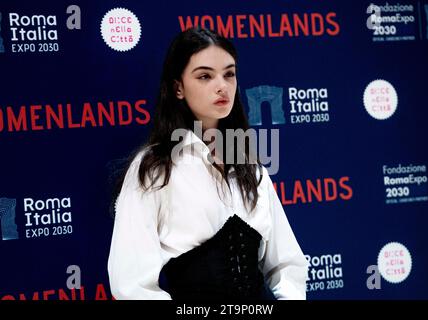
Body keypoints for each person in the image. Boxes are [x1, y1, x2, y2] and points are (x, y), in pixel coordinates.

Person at [107, 27, 309, 300]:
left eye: (229, 74)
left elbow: (287, 264)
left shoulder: (251, 168)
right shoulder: (154, 170)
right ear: (178, 87)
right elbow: (131, 285)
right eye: (204, 76)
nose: (222, 86)